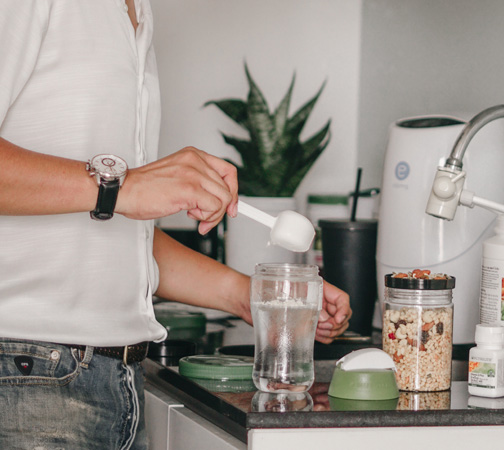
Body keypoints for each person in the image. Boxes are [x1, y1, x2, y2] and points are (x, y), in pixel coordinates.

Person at [0, 1, 351, 448]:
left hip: (115, 381)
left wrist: (252, 298)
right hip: (27, 372)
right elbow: (116, 196)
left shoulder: (137, 12)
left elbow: (114, 243)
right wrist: (124, 187)